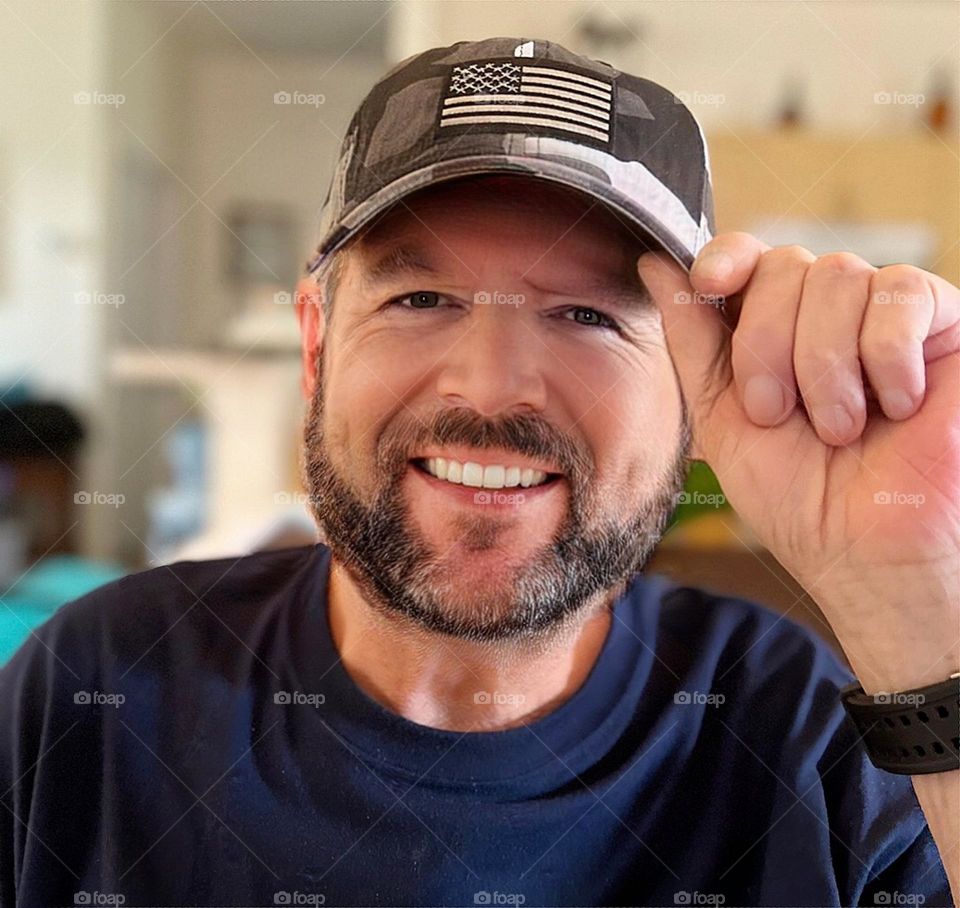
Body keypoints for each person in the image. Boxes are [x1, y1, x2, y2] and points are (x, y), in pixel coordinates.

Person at [1, 36, 957, 908]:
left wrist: (919, 602)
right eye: (421, 297)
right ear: (316, 347)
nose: (493, 388)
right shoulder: (98, 686)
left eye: (587, 315)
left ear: (691, 385)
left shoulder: (804, 729)